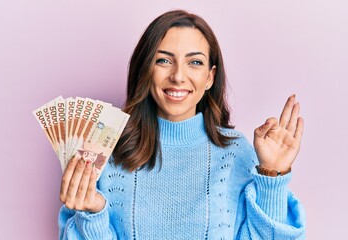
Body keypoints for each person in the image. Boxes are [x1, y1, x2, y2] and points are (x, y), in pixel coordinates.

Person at [58, 10, 306, 239]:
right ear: (145, 69)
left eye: (195, 62)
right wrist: (94, 216)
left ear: (210, 77)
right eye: (164, 60)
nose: (178, 76)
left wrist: (273, 176)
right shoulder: (103, 149)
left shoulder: (236, 152)